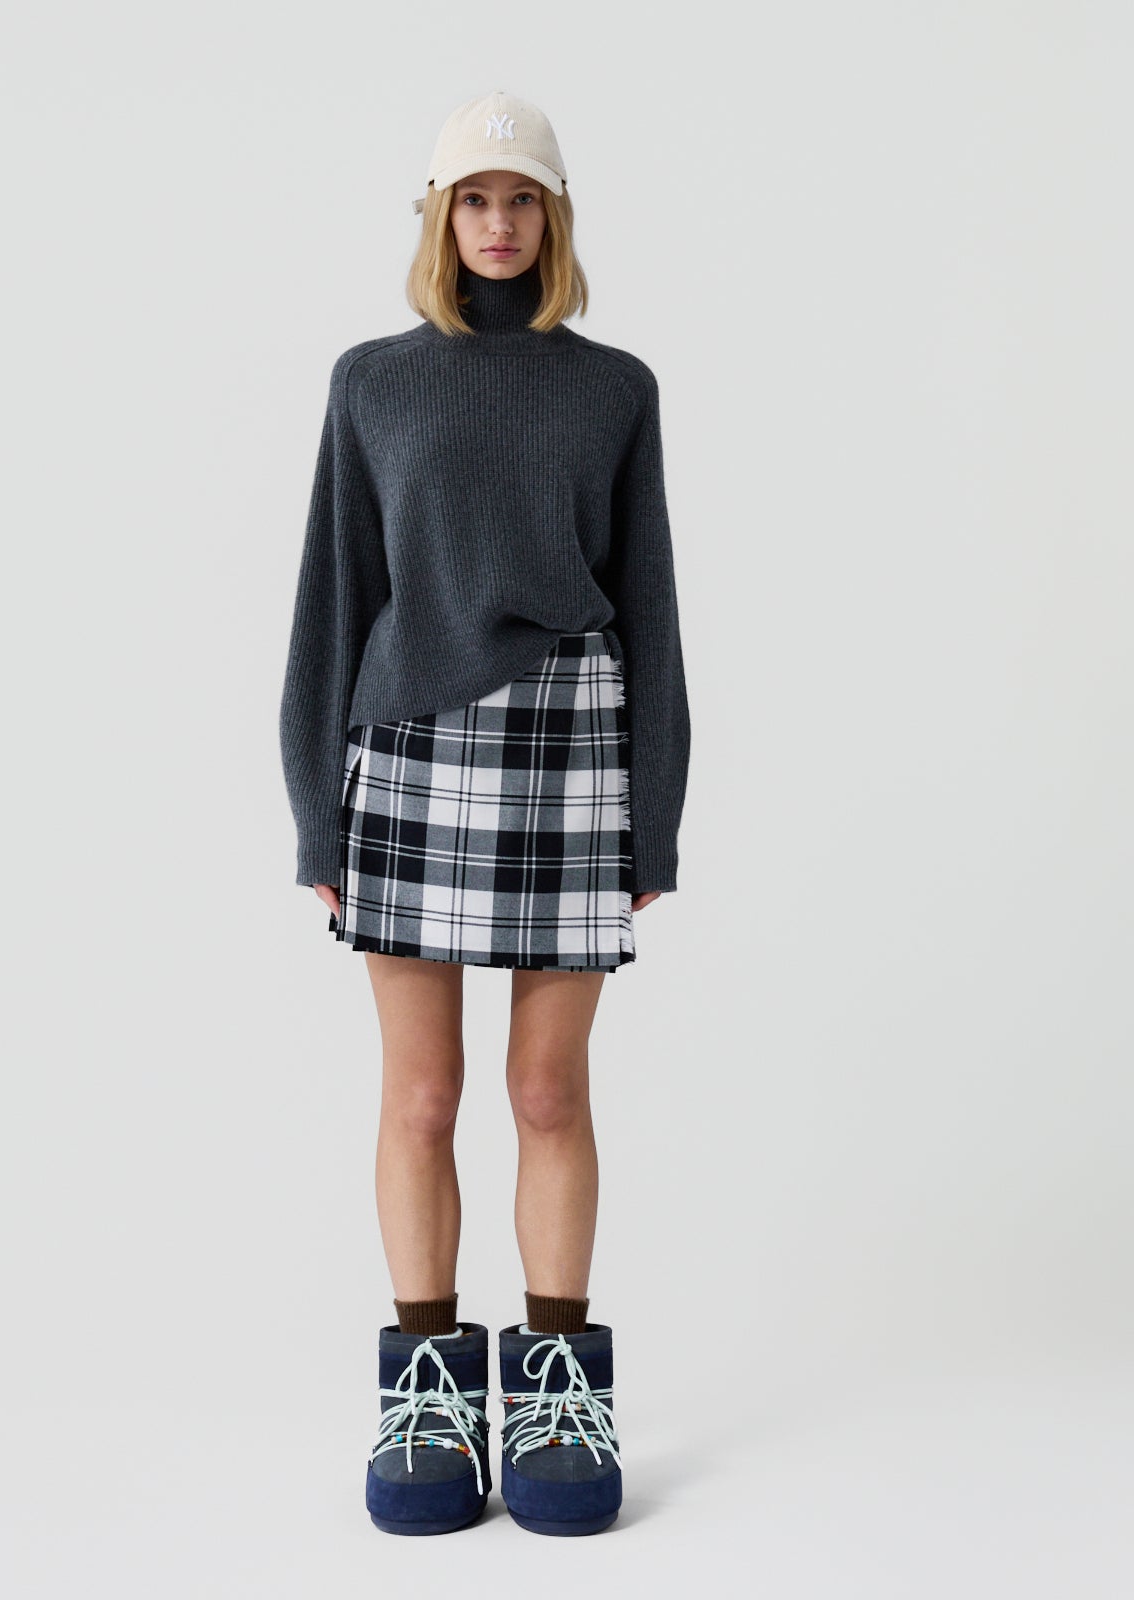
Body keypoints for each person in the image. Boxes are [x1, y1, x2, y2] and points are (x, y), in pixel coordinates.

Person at [279, 89, 691, 1537]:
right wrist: (314, 812)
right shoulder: (372, 383)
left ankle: (563, 1395)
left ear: (554, 219)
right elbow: (336, 597)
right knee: (422, 1096)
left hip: (571, 748)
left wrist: (657, 812)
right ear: (440, 216)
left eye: (523, 199)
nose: (499, 223)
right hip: (406, 749)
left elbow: (650, 603)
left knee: (547, 1093)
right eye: (475, 198)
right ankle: (430, 1402)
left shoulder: (615, 388)